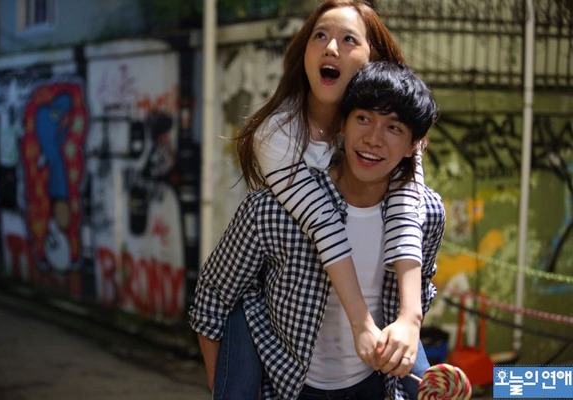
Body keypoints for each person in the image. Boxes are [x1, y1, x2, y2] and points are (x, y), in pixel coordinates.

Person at [189, 60, 444, 399]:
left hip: (373, 386)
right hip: (287, 387)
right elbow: (213, 295)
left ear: (414, 145)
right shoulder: (275, 208)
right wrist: (222, 386)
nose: (373, 139)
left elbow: (421, 287)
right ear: (342, 126)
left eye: (393, 128)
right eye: (363, 119)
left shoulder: (427, 213)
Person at [235, 0, 426, 386]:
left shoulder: (390, 128)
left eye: (348, 39)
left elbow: (407, 208)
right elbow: (323, 222)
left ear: (373, 59)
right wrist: (362, 325)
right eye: (319, 36)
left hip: (363, 322)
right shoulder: (277, 134)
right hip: (278, 307)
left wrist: (410, 317)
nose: (331, 48)